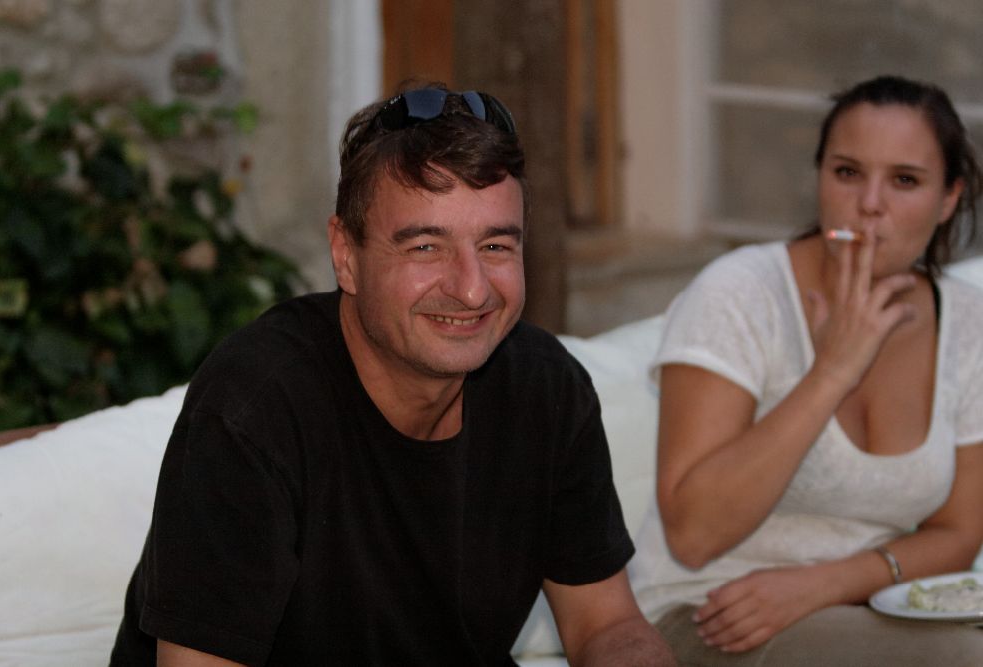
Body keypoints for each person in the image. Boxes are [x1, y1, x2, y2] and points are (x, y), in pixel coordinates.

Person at [109, 85, 676, 666]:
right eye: (426, 247)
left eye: (495, 246)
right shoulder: (254, 409)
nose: (472, 289)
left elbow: (606, 624)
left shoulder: (545, 388)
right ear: (345, 255)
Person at [628, 74, 983, 665]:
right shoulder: (740, 294)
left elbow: (959, 532)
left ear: (948, 199)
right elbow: (693, 534)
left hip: (863, 609)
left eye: (905, 180)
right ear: (820, 178)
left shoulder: (968, 321)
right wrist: (833, 372)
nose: (870, 203)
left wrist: (825, 585)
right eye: (847, 172)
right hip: (710, 611)